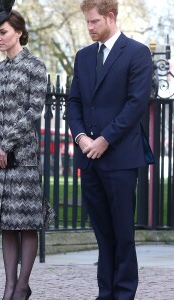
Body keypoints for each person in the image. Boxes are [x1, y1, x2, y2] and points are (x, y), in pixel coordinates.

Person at [67, 0, 152, 299]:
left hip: (120, 158)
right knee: (103, 235)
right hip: (89, 158)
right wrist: (80, 137)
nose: (89, 27)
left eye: (93, 22)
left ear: (110, 17)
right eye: (87, 22)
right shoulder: (84, 56)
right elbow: (74, 102)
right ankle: (106, 293)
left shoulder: (138, 53)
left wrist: (104, 139)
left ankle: (124, 293)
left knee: (122, 234)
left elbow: (136, 104)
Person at [0, 1, 54, 299]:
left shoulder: (35, 67)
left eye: (3, 32)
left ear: (18, 33)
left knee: (27, 222)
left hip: (21, 157)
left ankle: (23, 285)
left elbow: (32, 111)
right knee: (6, 224)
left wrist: (5, 144)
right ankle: (9, 286)